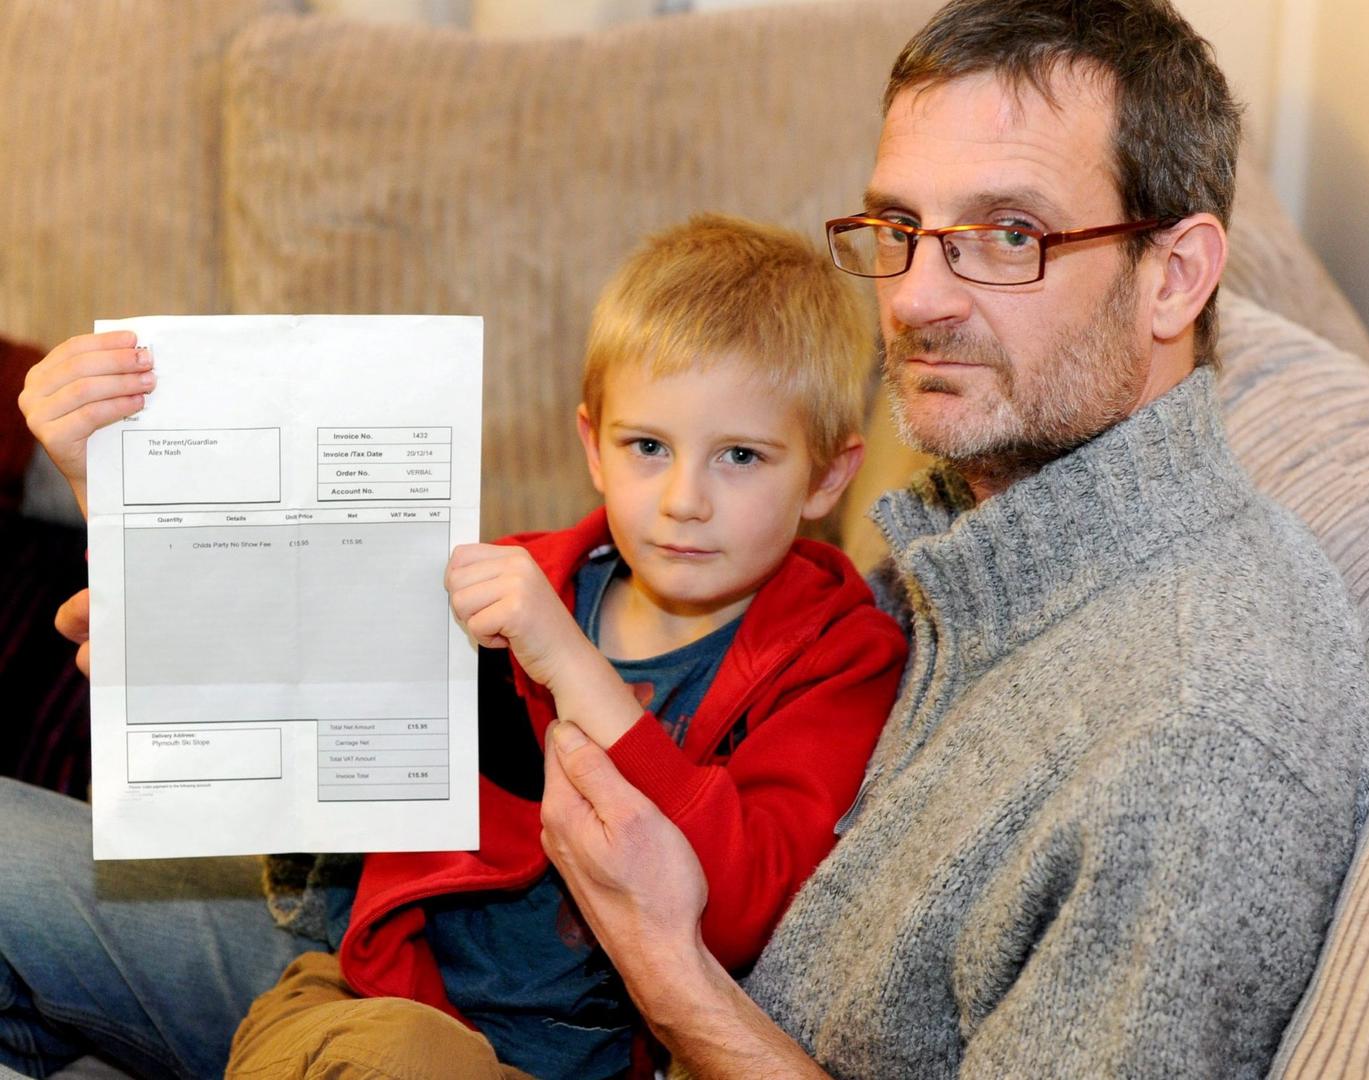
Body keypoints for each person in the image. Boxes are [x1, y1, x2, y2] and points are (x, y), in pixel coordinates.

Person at [525, 1, 1369, 1077]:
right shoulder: (980, 541)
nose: (916, 299)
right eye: (900, 228)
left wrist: (668, 973)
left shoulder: (1195, 740)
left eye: (1009, 234)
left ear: (1173, 277)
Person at [5, 214, 905, 1079]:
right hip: (362, 973)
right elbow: (289, 657)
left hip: (527, 1059)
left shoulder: (840, 656)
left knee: (397, 1057)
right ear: (593, 446)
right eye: (648, 446)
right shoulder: (518, 580)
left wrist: (570, 665)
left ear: (828, 475)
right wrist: (110, 498)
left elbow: (738, 912)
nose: (684, 500)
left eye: (740, 456)